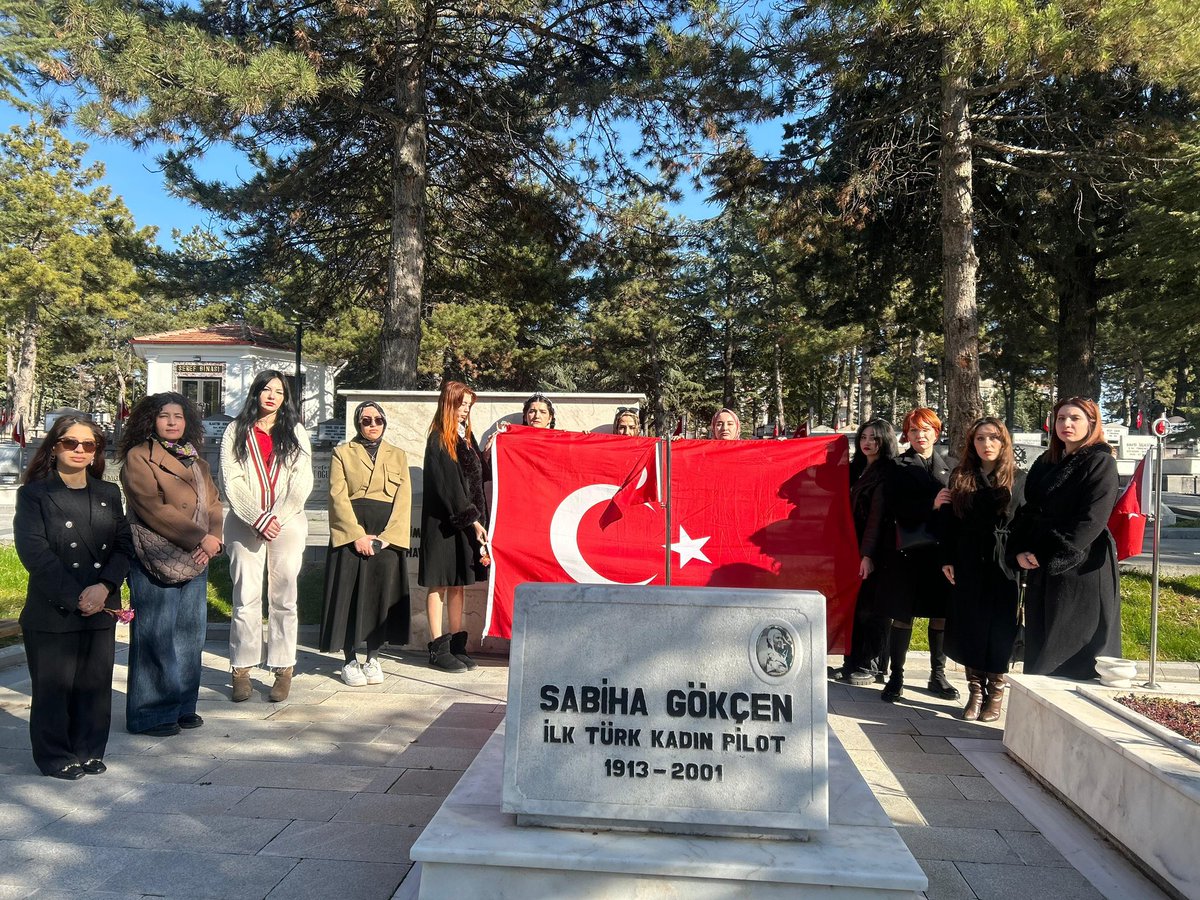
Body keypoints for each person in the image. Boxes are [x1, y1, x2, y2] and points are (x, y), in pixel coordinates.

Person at [14, 415, 132, 779]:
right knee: (54, 688)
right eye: (70, 443)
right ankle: (54, 756)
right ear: (54, 447)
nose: (79, 450)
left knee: (95, 685)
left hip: (101, 603)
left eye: (88, 444)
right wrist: (76, 595)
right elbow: (34, 553)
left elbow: (124, 545)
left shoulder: (109, 493)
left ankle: (89, 749)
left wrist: (105, 587)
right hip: (53, 607)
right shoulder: (35, 494)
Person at [119, 393, 224, 736]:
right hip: (156, 554)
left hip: (196, 556)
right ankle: (150, 712)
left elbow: (214, 505)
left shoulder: (198, 462)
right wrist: (199, 538)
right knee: (156, 634)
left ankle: (181, 705)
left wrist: (213, 540)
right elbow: (154, 509)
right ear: (150, 420)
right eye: (164, 415)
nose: (172, 422)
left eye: (178, 416)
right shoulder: (139, 458)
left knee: (189, 635)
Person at [1010, 396, 1120, 680]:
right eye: (1061, 418)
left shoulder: (1101, 462)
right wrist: (1020, 548)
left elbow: (1091, 519)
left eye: (1075, 419)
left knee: (1072, 647)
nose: (1066, 424)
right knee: (1041, 638)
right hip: (1042, 565)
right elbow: (1028, 510)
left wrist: (1048, 553)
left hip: (1080, 563)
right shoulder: (1047, 462)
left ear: (1091, 424)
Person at [221, 369, 314, 702]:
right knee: (245, 596)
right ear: (255, 393)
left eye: (279, 391)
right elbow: (230, 480)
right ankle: (242, 669)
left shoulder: (296, 432)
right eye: (266, 389)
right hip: (245, 522)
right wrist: (256, 517)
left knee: (284, 597)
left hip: (286, 524)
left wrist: (277, 517)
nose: (272, 396)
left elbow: (302, 482)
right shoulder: (236, 430)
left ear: (285, 397)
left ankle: (283, 667)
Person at [319, 401, 411, 686]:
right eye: (366, 420)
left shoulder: (398, 455)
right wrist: (356, 535)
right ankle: (349, 658)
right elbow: (337, 496)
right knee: (350, 596)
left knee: (378, 597)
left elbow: (404, 500)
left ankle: (373, 656)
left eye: (378, 420)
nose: (372, 425)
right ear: (358, 424)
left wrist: (387, 538)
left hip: (385, 537)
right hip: (352, 535)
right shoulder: (341, 453)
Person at [939, 418, 1025, 721]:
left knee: (1000, 629)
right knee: (971, 626)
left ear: (1003, 442)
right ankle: (975, 691)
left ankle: (996, 693)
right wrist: (947, 557)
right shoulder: (961, 476)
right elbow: (951, 522)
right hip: (968, 558)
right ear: (971, 444)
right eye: (979, 439)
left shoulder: (1019, 477)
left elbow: (1026, 522)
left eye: (992, 438)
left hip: (1005, 561)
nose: (986, 444)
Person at [882, 407, 958, 703]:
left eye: (925, 429)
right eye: (914, 430)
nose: (920, 435)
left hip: (940, 552)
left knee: (940, 615)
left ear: (936, 432)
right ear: (907, 435)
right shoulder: (897, 466)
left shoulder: (951, 466)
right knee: (903, 616)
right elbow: (893, 506)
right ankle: (896, 676)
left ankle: (937, 675)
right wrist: (931, 503)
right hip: (908, 553)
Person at [419, 381, 489, 673]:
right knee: (440, 583)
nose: (465, 411)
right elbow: (449, 488)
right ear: (449, 404)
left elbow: (475, 480)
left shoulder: (466, 437)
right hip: (443, 524)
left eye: (469, 406)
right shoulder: (438, 439)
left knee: (459, 582)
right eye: (462, 405)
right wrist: (473, 522)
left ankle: (457, 645)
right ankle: (438, 646)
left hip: (464, 522)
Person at [832, 419, 899, 686]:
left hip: (874, 550)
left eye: (874, 438)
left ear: (885, 441)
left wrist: (867, 554)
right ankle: (851, 660)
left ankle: (871, 665)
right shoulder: (857, 469)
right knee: (854, 605)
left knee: (872, 609)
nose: (868, 443)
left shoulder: (885, 472)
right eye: (863, 437)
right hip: (851, 546)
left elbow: (876, 516)